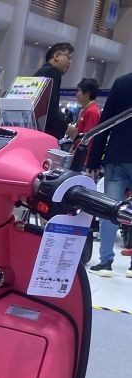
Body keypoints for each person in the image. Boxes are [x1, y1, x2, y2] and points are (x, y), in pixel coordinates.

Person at [87, 70, 132, 277]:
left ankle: (106, 262)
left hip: (117, 155)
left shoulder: (122, 82)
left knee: (111, 209)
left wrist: (94, 159)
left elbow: (106, 122)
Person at [34, 43, 74, 142]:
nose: (70, 62)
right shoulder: (53, 72)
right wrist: (65, 127)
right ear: (56, 56)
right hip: (44, 134)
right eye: (68, 57)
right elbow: (51, 107)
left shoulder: (40, 72)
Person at [66, 78, 101, 167]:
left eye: (79, 91)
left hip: (82, 159)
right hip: (79, 155)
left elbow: (88, 138)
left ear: (87, 93)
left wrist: (79, 155)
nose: (76, 94)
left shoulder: (92, 111)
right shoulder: (87, 110)